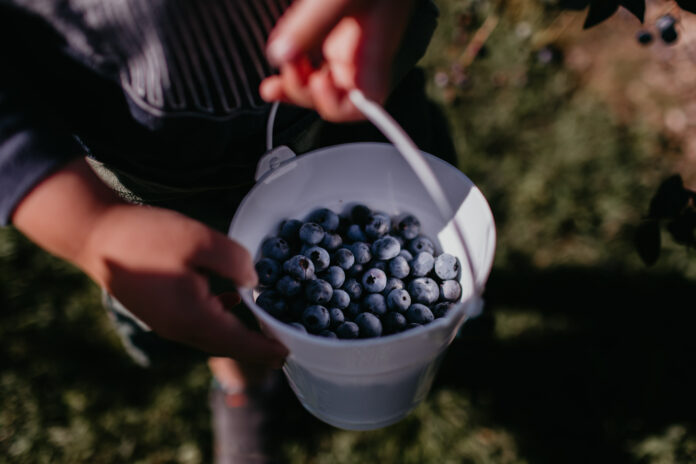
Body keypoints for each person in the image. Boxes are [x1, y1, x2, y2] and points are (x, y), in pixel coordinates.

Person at [0, 0, 454, 461]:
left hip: (353, 85)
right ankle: (242, 385)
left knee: (400, 217)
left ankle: (430, 338)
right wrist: (92, 229)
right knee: (225, 300)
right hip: (161, 168)